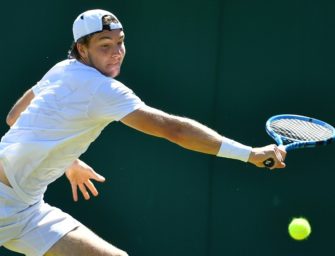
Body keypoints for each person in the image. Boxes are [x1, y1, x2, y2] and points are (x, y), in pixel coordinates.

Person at [0, 9, 286, 256]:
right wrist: (250, 154)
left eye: (120, 43)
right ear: (82, 49)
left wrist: (68, 161)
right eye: (104, 45)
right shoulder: (103, 90)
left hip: (26, 208)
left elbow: (14, 118)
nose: (116, 52)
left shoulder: (62, 69)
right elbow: (172, 129)